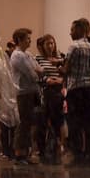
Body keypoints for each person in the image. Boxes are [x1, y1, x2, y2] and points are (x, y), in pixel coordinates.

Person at [62, 18, 90, 165]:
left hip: (76, 88)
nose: (70, 33)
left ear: (79, 30)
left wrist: (59, 68)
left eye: (72, 30)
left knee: (74, 122)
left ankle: (77, 153)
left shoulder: (74, 46)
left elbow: (66, 69)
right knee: (89, 122)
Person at [9, 28, 42, 164]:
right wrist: (37, 72)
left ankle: (26, 153)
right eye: (27, 38)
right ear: (19, 40)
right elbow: (32, 74)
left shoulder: (27, 54)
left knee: (28, 124)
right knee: (23, 124)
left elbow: (39, 68)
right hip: (23, 93)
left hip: (31, 92)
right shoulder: (18, 56)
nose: (30, 40)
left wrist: (38, 71)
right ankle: (19, 154)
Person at [35, 34, 65, 164]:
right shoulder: (38, 58)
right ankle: (42, 149)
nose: (50, 46)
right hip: (45, 91)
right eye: (47, 44)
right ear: (42, 46)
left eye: (52, 43)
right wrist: (47, 80)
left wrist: (61, 79)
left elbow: (65, 72)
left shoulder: (60, 58)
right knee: (42, 122)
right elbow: (37, 74)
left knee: (57, 121)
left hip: (58, 92)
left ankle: (56, 147)